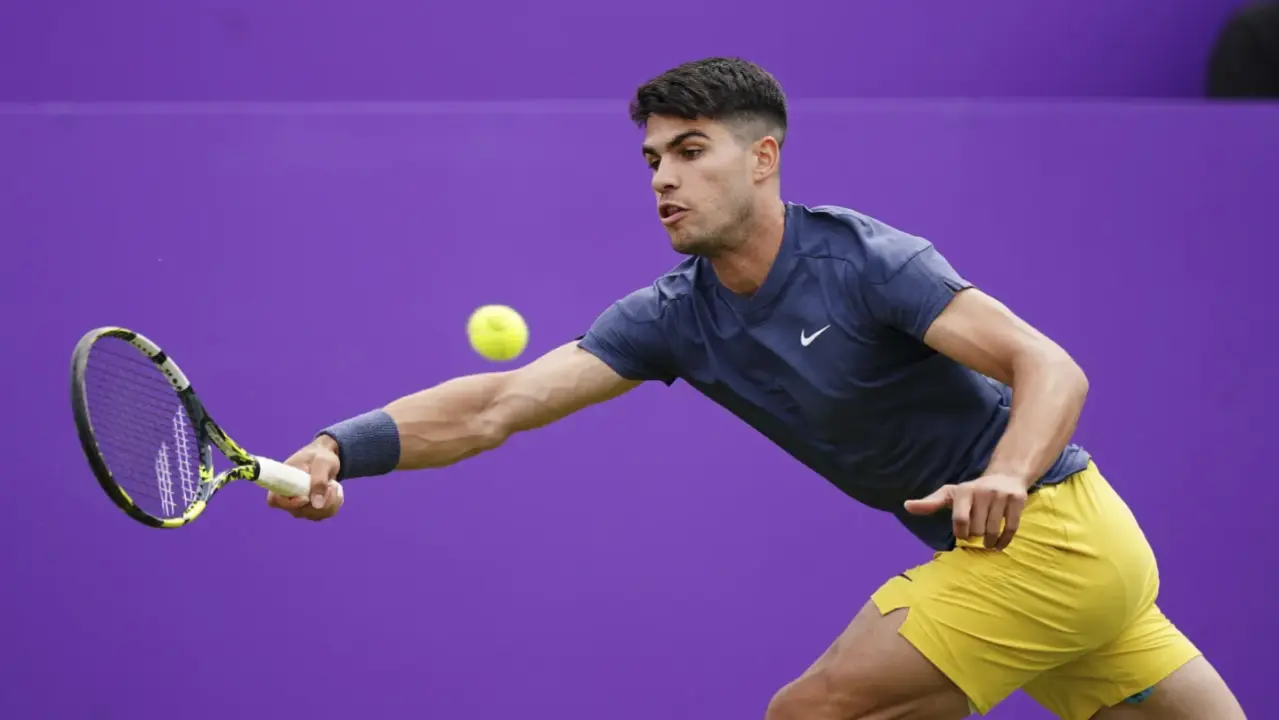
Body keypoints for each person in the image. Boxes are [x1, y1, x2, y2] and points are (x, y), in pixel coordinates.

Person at [268, 58, 1246, 719]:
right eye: (651, 159)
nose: (662, 178)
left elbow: (1049, 365)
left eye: (690, 151)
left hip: (1052, 537)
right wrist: (335, 446)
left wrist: (1006, 472)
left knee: (810, 709)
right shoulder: (671, 315)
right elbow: (495, 405)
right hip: (1062, 571)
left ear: (763, 156)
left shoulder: (865, 261)